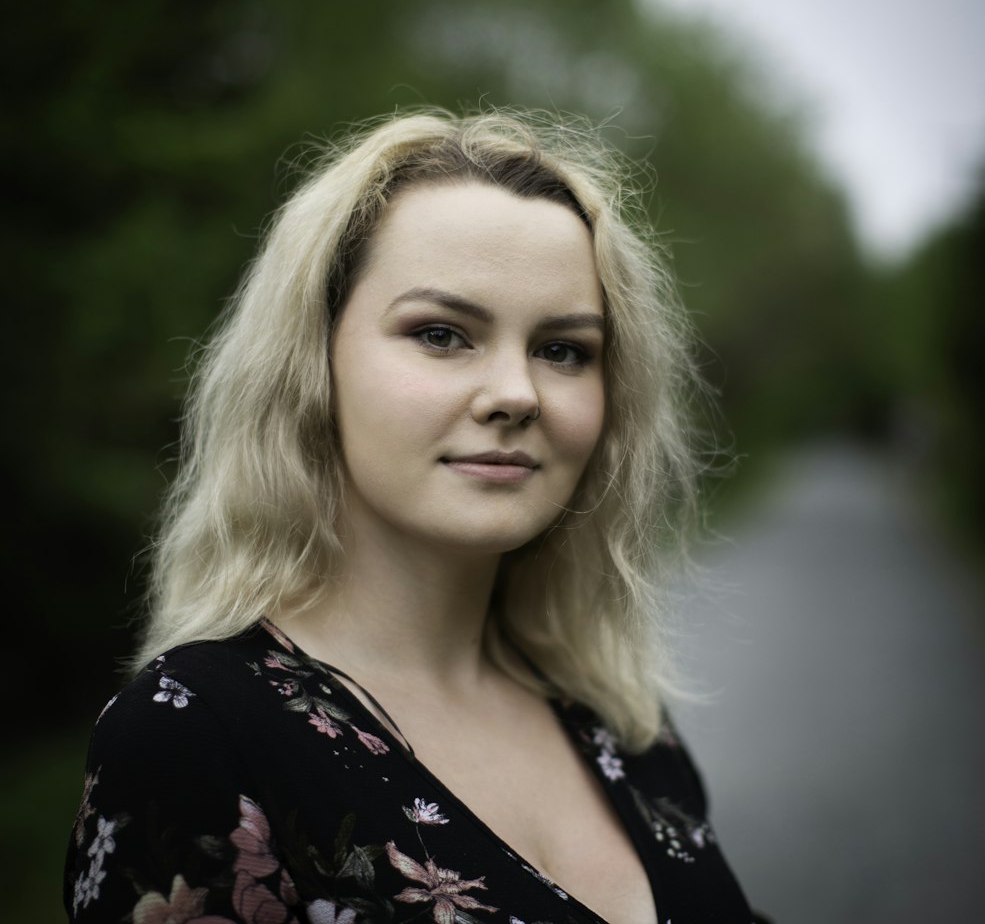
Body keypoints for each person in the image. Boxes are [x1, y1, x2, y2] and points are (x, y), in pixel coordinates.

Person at [65, 109, 766, 924]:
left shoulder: (619, 721)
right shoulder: (193, 738)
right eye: (441, 334)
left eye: (563, 349)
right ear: (313, 365)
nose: (515, 393)